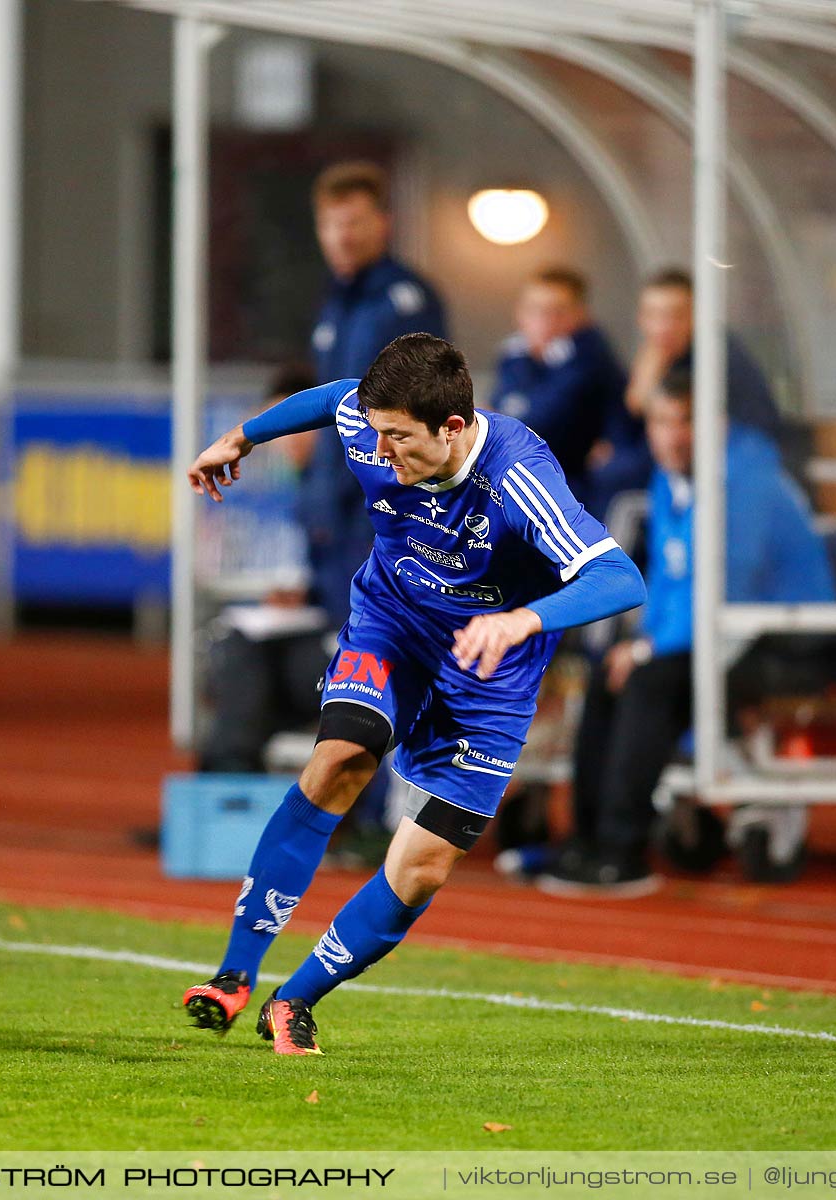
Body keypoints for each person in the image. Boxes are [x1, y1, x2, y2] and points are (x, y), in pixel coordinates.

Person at [180, 333, 644, 1055]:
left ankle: (293, 1000)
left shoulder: (518, 477)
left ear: (452, 429)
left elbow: (619, 578)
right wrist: (239, 438)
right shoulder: (372, 426)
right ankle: (232, 976)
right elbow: (330, 399)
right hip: (390, 626)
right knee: (339, 760)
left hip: (491, 673)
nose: (380, 451)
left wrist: (521, 619)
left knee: (422, 867)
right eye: (377, 432)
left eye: (398, 437)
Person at [543, 366, 836, 896]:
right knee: (608, 674)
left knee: (650, 680)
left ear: (716, 424)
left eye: (687, 421)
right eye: (662, 421)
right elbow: (670, 578)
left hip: (789, 640)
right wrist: (638, 644)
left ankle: (623, 851)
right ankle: (586, 842)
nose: (673, 435)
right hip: (723, 634)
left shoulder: (744, 483)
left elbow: (726, 585)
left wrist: (650, 650)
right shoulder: (672, 479)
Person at [306, 163, 449, 846]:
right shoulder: (339, 303)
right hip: (335, 518)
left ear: (383, 225)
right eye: (333, 223)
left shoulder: (405, 302)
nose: (344, 235)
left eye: (356, 221)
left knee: (380, 666)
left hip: (382, 521)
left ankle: (376, 817)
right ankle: (351, 812)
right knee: (351, 669)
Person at [198, 364, 335, 774]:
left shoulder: (349, 482)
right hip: (327, 628)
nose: (284, 442)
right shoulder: (314, 484)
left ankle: (221, 797)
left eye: (293, 426)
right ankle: (223, 796)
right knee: (241, 654)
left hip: (357, 645)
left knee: (245, 667)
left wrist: (317, 599)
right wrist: (305, 596)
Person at [592, 269, 782, 516]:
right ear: (641, 318)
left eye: (674, 316)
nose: (663, 326)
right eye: (654, 315)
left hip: (727, 466)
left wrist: (643, 391)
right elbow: (636, 417)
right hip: (687, 459)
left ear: (696, 317)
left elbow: (674, 426)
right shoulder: (660, 356)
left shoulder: (715, 356)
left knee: (613, 476)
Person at [491, 267, 626, 501]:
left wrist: (502, 419)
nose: (544, 321)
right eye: (534, 310)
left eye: (557, 312)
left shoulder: (590, 357)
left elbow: (535, 427)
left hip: (578, 486)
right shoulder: (515, 355)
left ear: (580, 314)